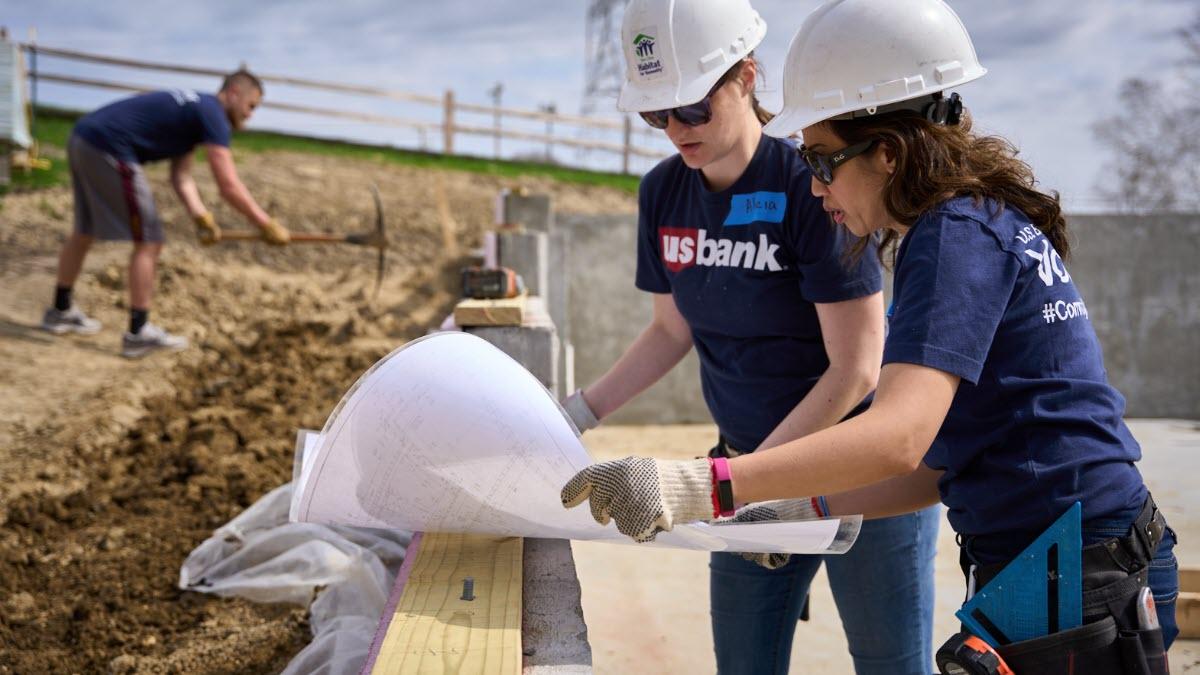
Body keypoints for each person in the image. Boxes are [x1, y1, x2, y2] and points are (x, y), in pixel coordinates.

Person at [561, 0, 1180, 668]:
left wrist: (703, 485)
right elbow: (938, 465)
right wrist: (797, 502)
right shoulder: (970, 224)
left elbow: (897, 435)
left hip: (1076, 566)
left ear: (885, 153)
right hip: (1069, 554)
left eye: (823, 161)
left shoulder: (952, 238)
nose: (816, 184)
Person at [558, 1, 938, 672]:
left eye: (694, 107)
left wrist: (748, 482)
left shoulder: (816, 186)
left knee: (890, 663)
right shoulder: (664, 194)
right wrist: (579, 411)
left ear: (746, 77)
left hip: (855, 475)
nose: (677, 129)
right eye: (658, 113)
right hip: (742, 471)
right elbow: (670, 328)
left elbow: (856, 369)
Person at [41, 69, 290, 358]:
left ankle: (60, 310)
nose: (250, 115)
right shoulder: (213, 116)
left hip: (84, 138)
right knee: (150, 241)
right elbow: (228, 185)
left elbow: (181, 176)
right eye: (251, 106)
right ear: (234, 93)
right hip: (110, 147)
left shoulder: (197, 111)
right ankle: (138, 333)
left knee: (85, 230)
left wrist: (201, 217)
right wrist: (265, 223)